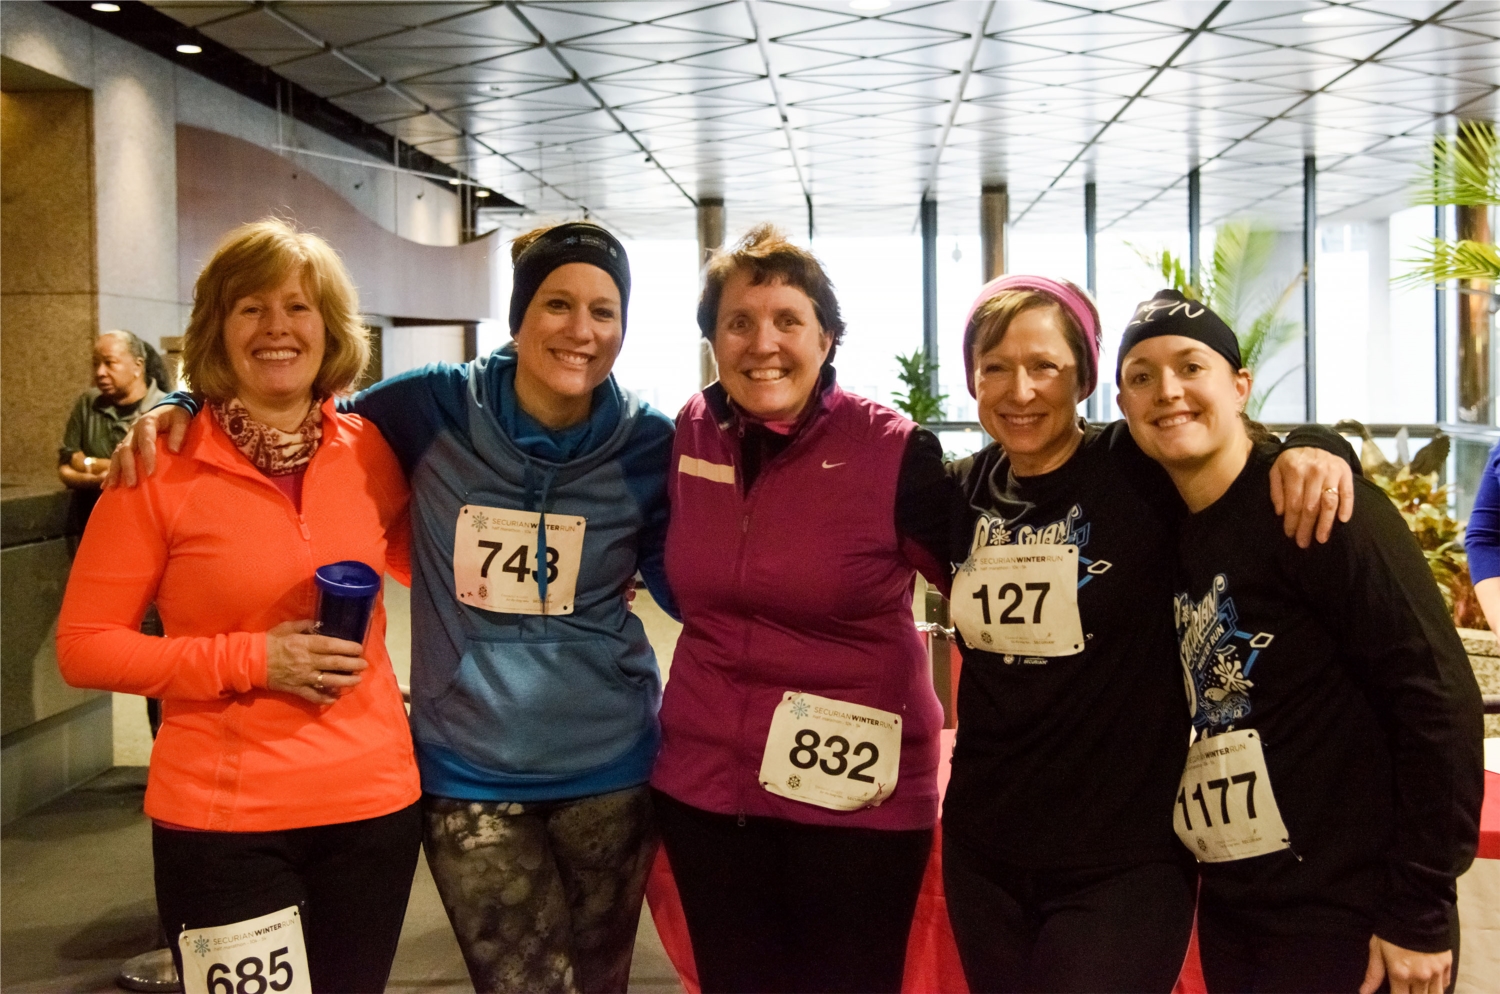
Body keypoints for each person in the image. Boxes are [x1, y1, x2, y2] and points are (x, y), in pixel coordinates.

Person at [111, 221, 674, 994]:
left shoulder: (650, 442)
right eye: (556, 304)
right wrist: (180, 397)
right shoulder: (430, 404)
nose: (580, 330)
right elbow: (301, 399)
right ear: (517, 315)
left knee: (601, 982)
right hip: (470, 766)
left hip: (612, 761)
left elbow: (686, 575)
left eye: (603, 311)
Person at [941, 275, 1361, 993]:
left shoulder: (1138, 467)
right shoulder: (956, 492)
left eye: (1045, 366)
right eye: (995, 369)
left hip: (1122, 859)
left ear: (1085, 378)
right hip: (985, 851)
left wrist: (1323, 447)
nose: (1020, 391)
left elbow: (1234, 448)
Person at [56, 219, 422, 994]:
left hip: (372, 808)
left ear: (329, 328)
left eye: (298, 307)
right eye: (250, 308)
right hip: (224, 825)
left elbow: (435, 566)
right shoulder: (157, 465)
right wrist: (254, 658)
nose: (277, 328)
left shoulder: (370, 451)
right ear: (217, 329)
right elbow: (84, 647)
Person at [1116, 289, 1484, 994]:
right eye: (1141, 375)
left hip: (1353, 913)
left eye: (1191, 366)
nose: (1168, 391)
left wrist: (1421, 908)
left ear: (1240, 386)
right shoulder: (1170, 523)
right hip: (1242, 905)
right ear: (1125, 407)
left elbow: (1438, 699)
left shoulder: (1317, 508)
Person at [650, 224, 958, 994]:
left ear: (828, 336)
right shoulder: (690, 431)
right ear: (712, 340)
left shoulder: (893, 449)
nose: (765, 344)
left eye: (789, 320)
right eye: (739, 322)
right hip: (707, 788)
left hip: (853, 800)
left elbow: (986, 586)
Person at [58, 330, 169, 525]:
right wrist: (102, 476)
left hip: (146, 522)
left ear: (138, 366)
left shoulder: (165, 409)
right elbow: (66, 468)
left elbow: (150, 473)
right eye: (96, 364)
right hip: (93, 520)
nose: (100, 372)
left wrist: (88, 464)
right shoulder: (88, 404)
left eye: (110, 363)